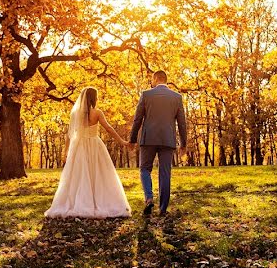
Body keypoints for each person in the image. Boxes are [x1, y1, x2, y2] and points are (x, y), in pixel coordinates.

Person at [45, 87, 132, 219]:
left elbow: (69, 134)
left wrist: (66, 150)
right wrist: (122, 141)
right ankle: (98, 201)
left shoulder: (75, 114)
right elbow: (108, 128)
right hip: (94, 144)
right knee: (99, 173)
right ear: (94, 98)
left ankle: (78, 202)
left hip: (78, 146)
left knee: (79, 174)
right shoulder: (97, 113)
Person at [129, 70, 187, 216]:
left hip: (148, 138)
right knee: (165, 173)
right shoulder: (177, 97)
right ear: (165, 80)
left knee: (144, 169)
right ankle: (163, 209)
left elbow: (137, 119)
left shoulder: (146, 94)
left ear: (155, 79)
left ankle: (149, 198)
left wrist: (132, 139)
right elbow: (182, 123)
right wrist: (183, 144)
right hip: (167, 139)